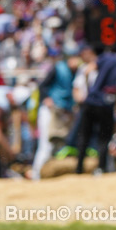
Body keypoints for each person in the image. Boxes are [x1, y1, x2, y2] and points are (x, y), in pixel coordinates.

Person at [75, 45, 116, 174]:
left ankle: (79, 169)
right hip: (107, 106)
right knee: (103, 139)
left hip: (91, 101)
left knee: (84, 136)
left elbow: (87, 71)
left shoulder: (108, 57)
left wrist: (90, 90)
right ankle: (101, 168)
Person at [32, 46, 82, 180]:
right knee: (46, 146)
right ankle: (36, 175)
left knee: (60, 146)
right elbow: (42, 86)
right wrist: (46, 98)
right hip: (50, 111)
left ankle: (49, 176)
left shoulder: (76, 72)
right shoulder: (58, 68)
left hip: (63, 113)